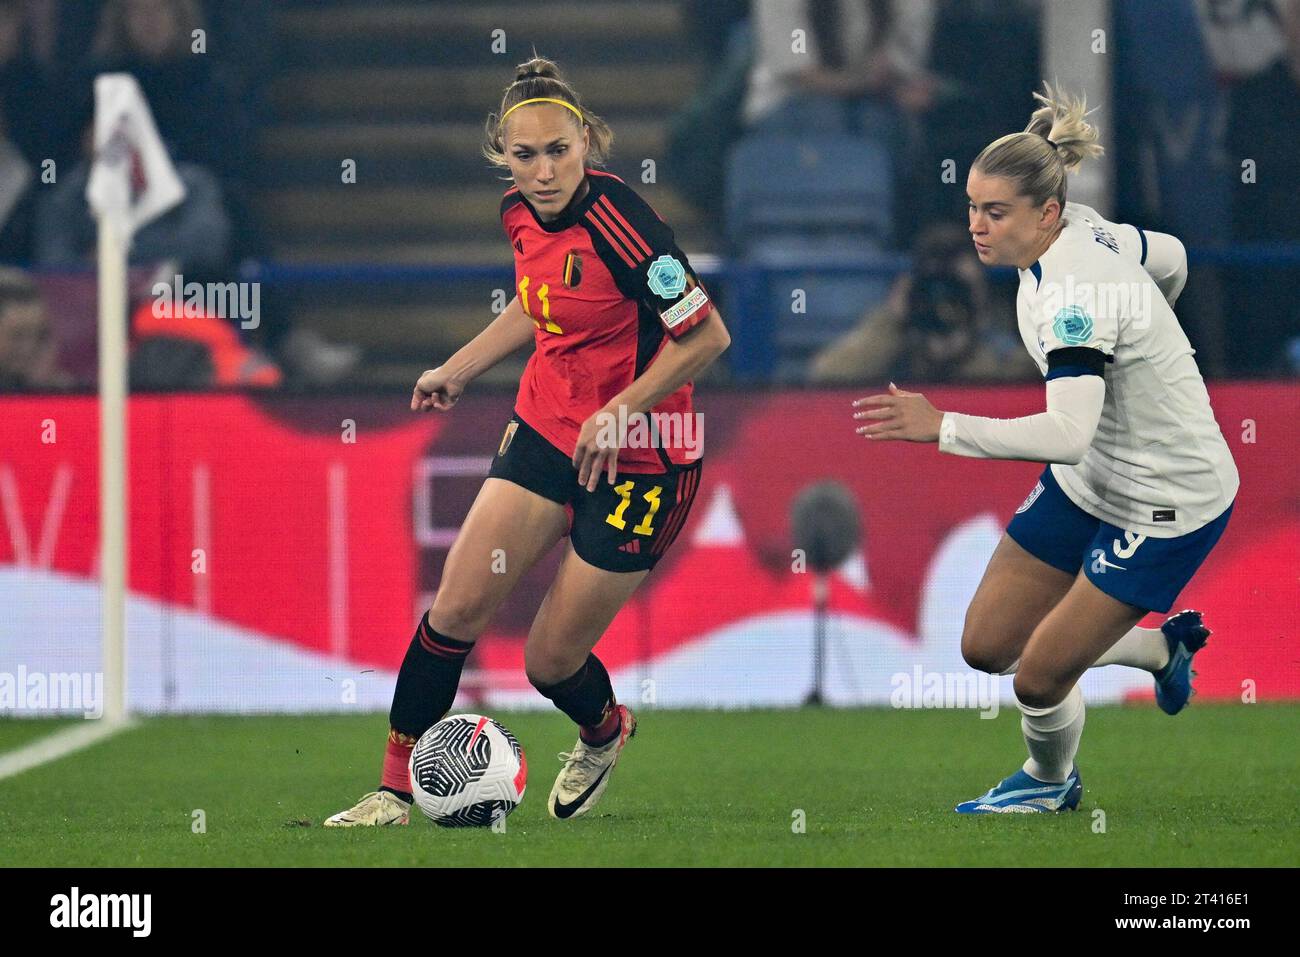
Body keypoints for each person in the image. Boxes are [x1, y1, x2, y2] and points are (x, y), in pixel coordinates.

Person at [325, 57, 731, 826]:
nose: (543, 171)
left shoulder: (626, 223)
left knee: (548, 661)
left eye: (558, 151)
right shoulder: (517, 212)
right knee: (455, 606)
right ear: (501, 156)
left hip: (644, 458)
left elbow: (707, 333)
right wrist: (458, 366)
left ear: (587, 143)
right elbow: (538, 302)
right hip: (549, 426)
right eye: (524, 155)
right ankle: (392, 790)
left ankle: (604, 731)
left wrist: (626, 409)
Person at [852, 84, 1238, 813]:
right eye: (971, 205)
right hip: (1090, 477)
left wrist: (941, 426)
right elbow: (1173, 256)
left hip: (1168, 496)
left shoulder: (1073, 293)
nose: (976, 225)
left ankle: (1049, 782)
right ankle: (1162, 651)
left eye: (995, 212)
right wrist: (1151, 327)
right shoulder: (1091, 231)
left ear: (1047, 214)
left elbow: (1066, 432)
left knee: (1036, 676)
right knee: (986, 646)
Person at [809, 222, 1038, 384]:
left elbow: (1029, 390)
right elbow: (827, 374)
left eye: (956, 287)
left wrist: (967, 345)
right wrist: (894, 319)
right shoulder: (894, 335)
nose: (945, 298)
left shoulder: (1002, 342)